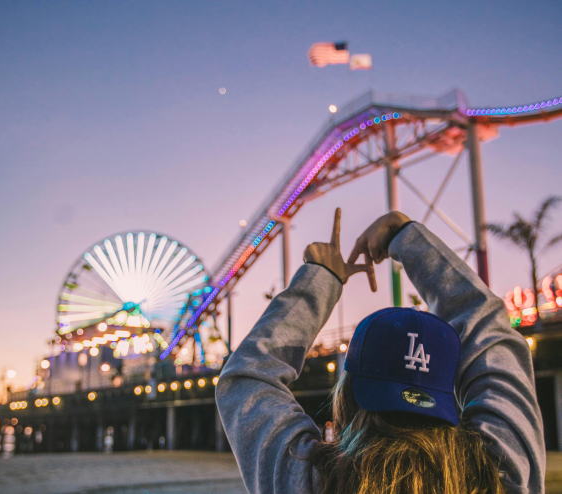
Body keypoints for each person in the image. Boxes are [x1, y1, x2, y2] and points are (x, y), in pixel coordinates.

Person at [215, 209, 545, 494]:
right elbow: (488, 325)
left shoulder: (310, 479)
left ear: (347, 394)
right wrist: (407, 238)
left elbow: (247, 377)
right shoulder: (500, 473)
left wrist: (320, 279)